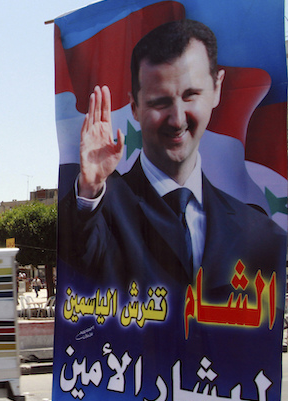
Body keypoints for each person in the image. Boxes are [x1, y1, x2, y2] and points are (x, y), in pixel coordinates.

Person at [60, 19, 286, 298]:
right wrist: (90, 189)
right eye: (160, 102)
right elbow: (79, 261)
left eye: (191, 95)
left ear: (217, 89)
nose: (177, 120)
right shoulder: (99, 211)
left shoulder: (261, 233)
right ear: (134, 107)